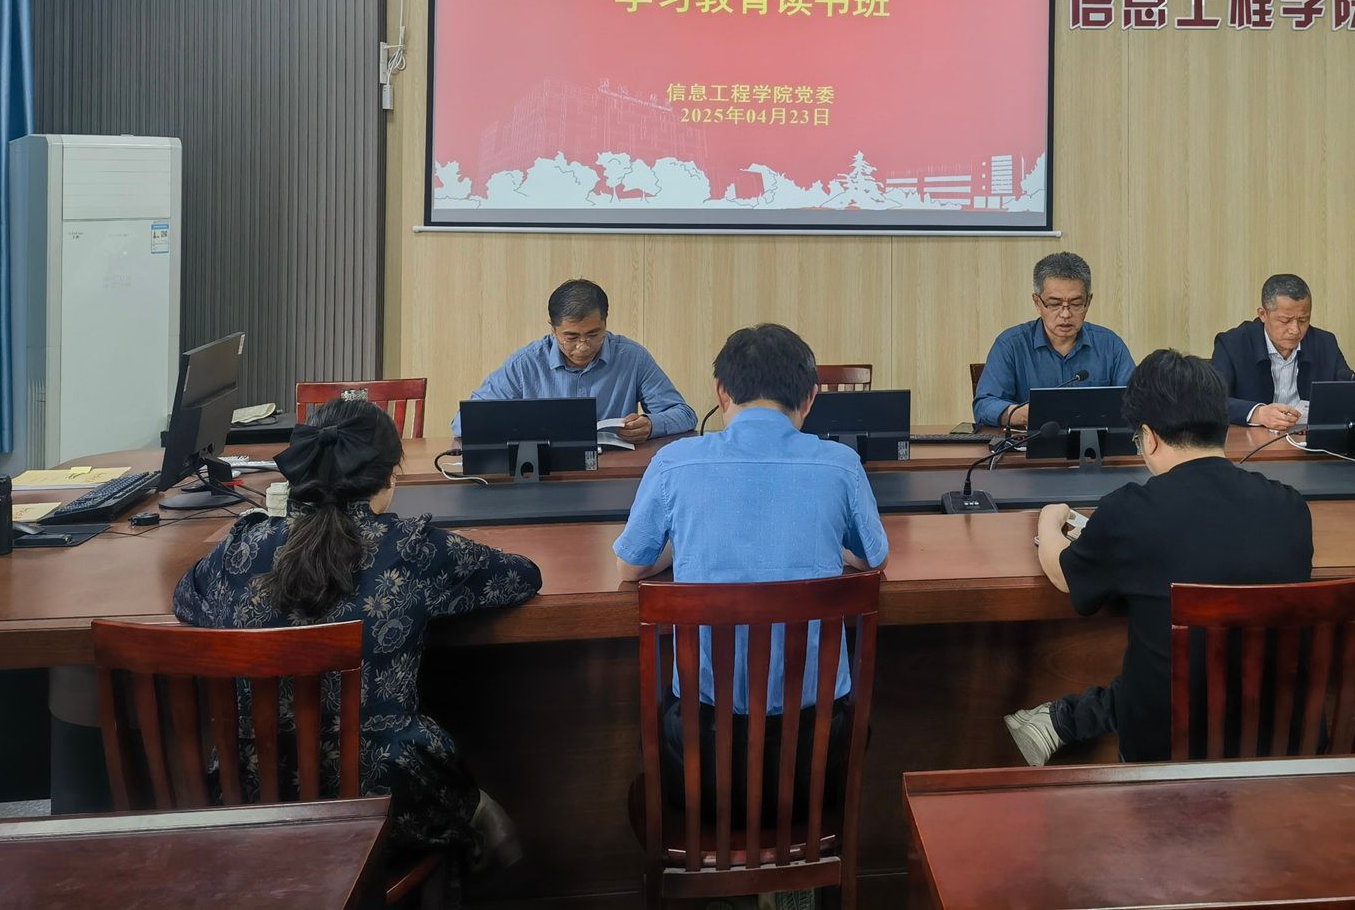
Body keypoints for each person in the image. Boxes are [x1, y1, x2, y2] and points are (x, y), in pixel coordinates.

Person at [172, 398, 541, 869]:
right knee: (484, 818)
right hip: (386, 801)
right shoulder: (415, 550)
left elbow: (187, 598)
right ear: (389, 478)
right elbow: (522, 576)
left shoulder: (242, 549)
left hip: (251, 797)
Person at [613, 323, 888, 816]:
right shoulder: (841, 465)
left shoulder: (674, 463)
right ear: (811, 397)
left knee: (643, 782)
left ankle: (711, 858)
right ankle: (804, 855)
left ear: (721, 392)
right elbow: (874, 558)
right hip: (815, 759)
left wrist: (683, 540)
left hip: (700, 758)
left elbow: (630, 566)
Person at [1003, 350, 1313, 767]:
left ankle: (1066, 719)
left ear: (1148, 436)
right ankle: (1065, 719)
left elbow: (1065, 576)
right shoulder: (1291, 507)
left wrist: (1048, 519)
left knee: (1165, 668)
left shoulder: (1130, 511)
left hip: (1167, 756)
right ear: (1222, 426)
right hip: (1285, 750)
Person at [461, 277, 695, 440]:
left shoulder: (631, 357)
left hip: (613, 471)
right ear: (553, 329)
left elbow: (684, 415)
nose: (583, 346)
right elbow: (463, 422)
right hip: (545, 474)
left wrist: (651, 425)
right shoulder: (526, 363)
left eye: (594, 334)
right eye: (571, 337)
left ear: (605, 323)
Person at [974, 252, 1136, 430]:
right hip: (1030, 444)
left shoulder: (1110, 346)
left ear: (1088, 302)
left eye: (1075, 304)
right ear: (1037, 302)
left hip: (1096, 445)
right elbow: (984, 405)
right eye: (1054, 304)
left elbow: (1137, 403)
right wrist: (1023, 413)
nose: (1065, 314)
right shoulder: (1011, 345)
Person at [1210, 273, 1355, 429]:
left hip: (1308, 438)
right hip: (1252, 439)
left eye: (1303, 320)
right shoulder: (1233, 344)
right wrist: (1258, 413)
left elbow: (1349, 392)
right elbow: (1211, 400)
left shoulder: (1324, 343)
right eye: (1285, 320)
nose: (1295, 330)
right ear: (1263, 314)